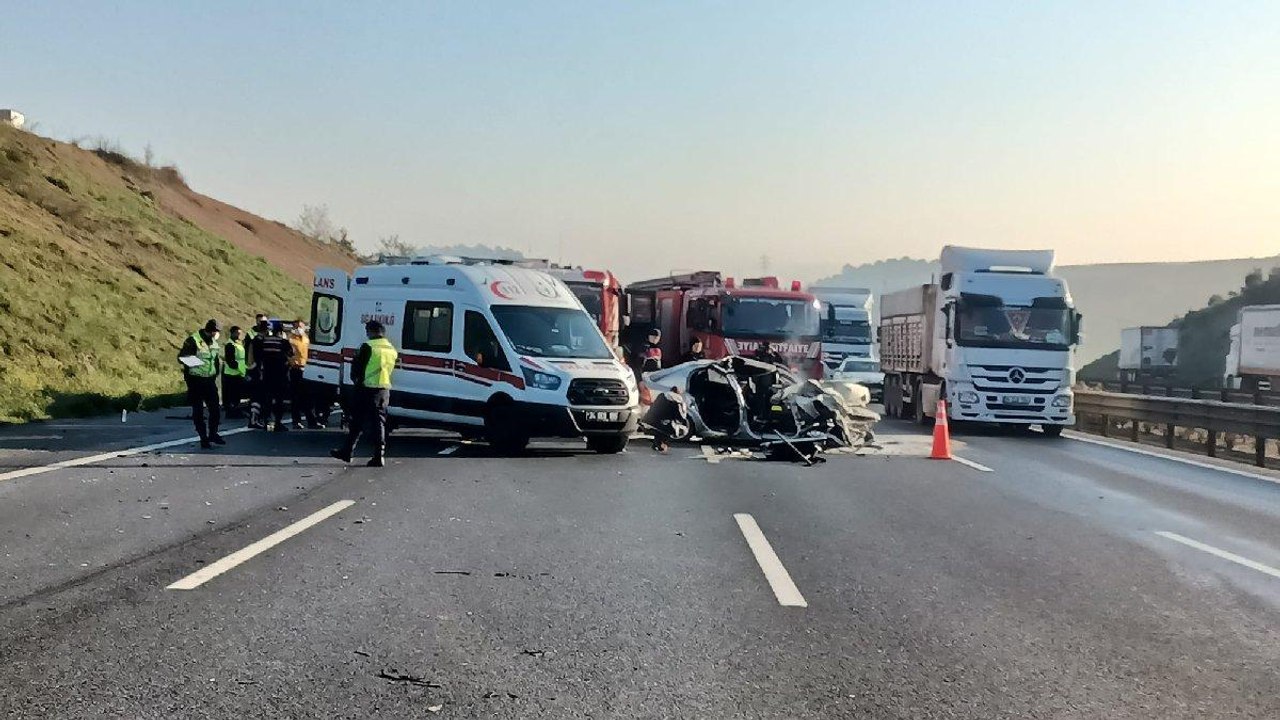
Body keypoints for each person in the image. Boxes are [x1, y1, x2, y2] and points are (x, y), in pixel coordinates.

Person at [331, 320, 398, 468]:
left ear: (373, 331)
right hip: (383, 389)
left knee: (357, 422)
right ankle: (378, 455)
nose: (366, 333)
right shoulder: (391, 349)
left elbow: (357, 367)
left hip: (366, 389)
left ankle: (348, 451)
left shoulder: (368, 346)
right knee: (379, 423)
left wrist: (356, 381)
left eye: (367, 330)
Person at [178, 319, 225, 449]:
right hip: (195, 380)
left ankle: (213, 434)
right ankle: (203, 438)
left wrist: (215, 373)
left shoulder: (213, 343)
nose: (217, 335)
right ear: (211, 331)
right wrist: (196, 365)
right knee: (198, 411)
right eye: (216, 332)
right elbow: (182, 357)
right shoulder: (193, 340)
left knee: (215, 409)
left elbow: (214, 359)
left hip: (209, 380)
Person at [250, 321, 294, 431]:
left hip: (266, 374)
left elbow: (258, 357)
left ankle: (267, 422)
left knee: (267, 399)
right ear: (281, 331)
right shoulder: (283, 342)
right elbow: (291, 356)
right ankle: (278, 423)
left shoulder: (264, 341)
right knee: (279, 400)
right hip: (280, 375)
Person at [288, 320, 320, 429]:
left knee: (309, 397)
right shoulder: (290, 339)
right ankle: (296, 421)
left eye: (301, 326)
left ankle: (312, 421)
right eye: (296, 327)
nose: (299, 329)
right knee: (296, 397)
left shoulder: (307, 338)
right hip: (295, 369)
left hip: (307, 369)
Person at [221, 326, 247, 419]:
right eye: (237, 333)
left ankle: (236, 411)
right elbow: (230, 361)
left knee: (237, 395)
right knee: (231, 395)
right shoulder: (230, 345)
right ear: (232, 333)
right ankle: (231, 412)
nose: (239, 335)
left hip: (239, 373)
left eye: (240, 333)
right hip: (231, 374)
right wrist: (240, 369)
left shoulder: (239, 344)